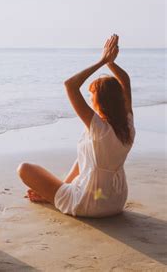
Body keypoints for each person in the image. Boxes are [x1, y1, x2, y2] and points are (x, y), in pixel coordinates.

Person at [17, 34, 135, 217]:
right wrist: (111, 63)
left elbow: (70, 85)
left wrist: (103, 60)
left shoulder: (99, 129)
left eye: (92, 96)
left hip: (90, 202)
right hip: (115, 200)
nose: (89, 99)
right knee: (86, 153)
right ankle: (60, 191)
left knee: (24, 169)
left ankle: (56, 195)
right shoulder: (127, 126)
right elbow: (125, 82)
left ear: (100, 102)